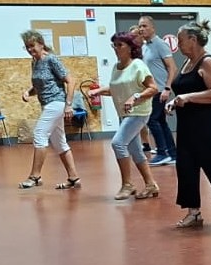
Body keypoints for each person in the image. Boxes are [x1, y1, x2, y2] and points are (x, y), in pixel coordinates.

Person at [166, 21, 211, 227]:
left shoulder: (207, 61)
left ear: (193, 39)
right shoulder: (187, 62)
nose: (178, 44)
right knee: (186, 166)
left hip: (206, 123)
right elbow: (182, 90)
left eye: (181, 40)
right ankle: (193, 211)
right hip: (187, 124)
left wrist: (188, 97)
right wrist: (175, 101)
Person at [88, 32, 160, 201]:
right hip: (125, 114)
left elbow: (153, 88)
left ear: (130, 48)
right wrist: (98, 91)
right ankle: (151, 184)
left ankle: (127, 184)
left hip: (139, 112)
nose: (116, 48)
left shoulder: (138, 65)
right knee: (136, 151)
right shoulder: (116, 67)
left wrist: (135, 97)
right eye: (114, 45)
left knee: (118, 143)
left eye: (120, 45)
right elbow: (116, 89)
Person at [17, 30, 81, 190]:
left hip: (57, 103)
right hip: (47, 104)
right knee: (59, 142)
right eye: (27, 47)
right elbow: (40, 85)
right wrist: (28, 92)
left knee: (39, 134)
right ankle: (73, 178)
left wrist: (68, 104)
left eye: (32, 46)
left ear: (41, 44)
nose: (30, 50)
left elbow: (70, 81)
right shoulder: (34, 62)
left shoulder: (51, 59)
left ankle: (35, 176)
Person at [135, 15, 178, 166]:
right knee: (160, 121)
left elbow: (172, 67)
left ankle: (161, 153)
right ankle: (172, 154)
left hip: (160, 89)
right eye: (140, 26)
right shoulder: (145, 46)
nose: (141, 29)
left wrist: (167, 88)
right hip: (151, 90)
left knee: (152, 120)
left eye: (144, 26)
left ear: (153, 28)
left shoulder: (160, 44)